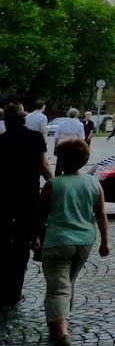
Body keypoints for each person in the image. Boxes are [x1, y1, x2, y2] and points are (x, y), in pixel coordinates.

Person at [33, 138, 110, 346]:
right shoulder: (93, 183)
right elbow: (101, 214)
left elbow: (39, 216)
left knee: (58, 286)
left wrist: (35, 238)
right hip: (85, 241)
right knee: (69, 282)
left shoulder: (53, 185)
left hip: (58, 241)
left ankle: (62, 332)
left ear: (62, 161)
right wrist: (104, 242)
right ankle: (57, 322)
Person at [0, 103, 53, 308]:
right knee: (23, 242)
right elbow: (43, 165)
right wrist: (53, 183)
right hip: (28, 196)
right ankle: (15, 290)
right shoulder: (34, 138)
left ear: (6, 121)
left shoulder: (1, 141)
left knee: (4, 242)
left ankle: (3, 286)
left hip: (4, 198)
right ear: (23, 119)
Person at [53, 110, 86, 175]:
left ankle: (57, 177)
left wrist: (55, 147)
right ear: (77, 115)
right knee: (73, 163)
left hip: (63, 144)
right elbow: (82, 138)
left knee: (59, 163)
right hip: (74, 146)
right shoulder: (79, 124)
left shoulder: (62, 124)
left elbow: (56, 137)